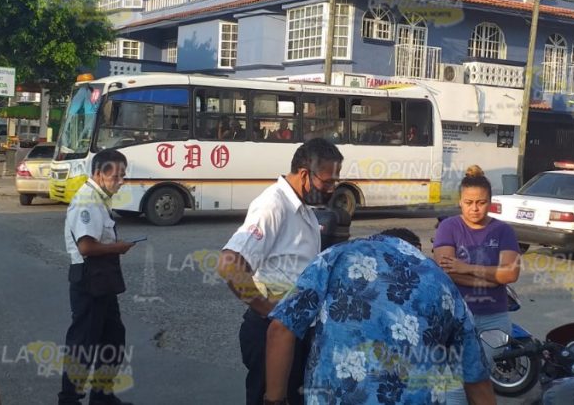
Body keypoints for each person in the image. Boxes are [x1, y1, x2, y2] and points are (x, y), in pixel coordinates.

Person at [265, 228, 496, 405]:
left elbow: (281, 329)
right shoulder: (443, 284)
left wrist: (274, 400)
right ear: (415, 250)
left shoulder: (336, 257)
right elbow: (475, 377)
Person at [216, 138, 344, 405]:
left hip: (294, 331)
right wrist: (267, 309)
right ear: (305, 174)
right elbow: (229, 263)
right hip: (271, 334)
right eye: (327, 181)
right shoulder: (274, 205)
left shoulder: (303, 208)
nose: (332, 188)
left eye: (335, 182)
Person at [433, 167, 521, 405]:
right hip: (456, 318)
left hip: (495, 319)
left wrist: (467, 268)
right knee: (454, 384)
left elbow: (511, 273)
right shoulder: (449, 227)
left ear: (490, 203)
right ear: (460, 202)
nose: (474, 208)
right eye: (469, 202)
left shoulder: (503, 230)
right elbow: (446, 271)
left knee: (478, 375)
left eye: (481, 202)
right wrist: (493, 278)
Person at [59, 148, 136, 405]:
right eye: (116, 176)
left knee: (112, 337)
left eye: (123, 175)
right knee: (83, 342)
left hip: (103, 279)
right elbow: (86, 247)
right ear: (98, 173)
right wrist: (119, 247)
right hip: (89, 278)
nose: (121, 181)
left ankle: (102, 396)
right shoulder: (87, 202)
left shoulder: (99, 198)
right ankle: (69, 398)